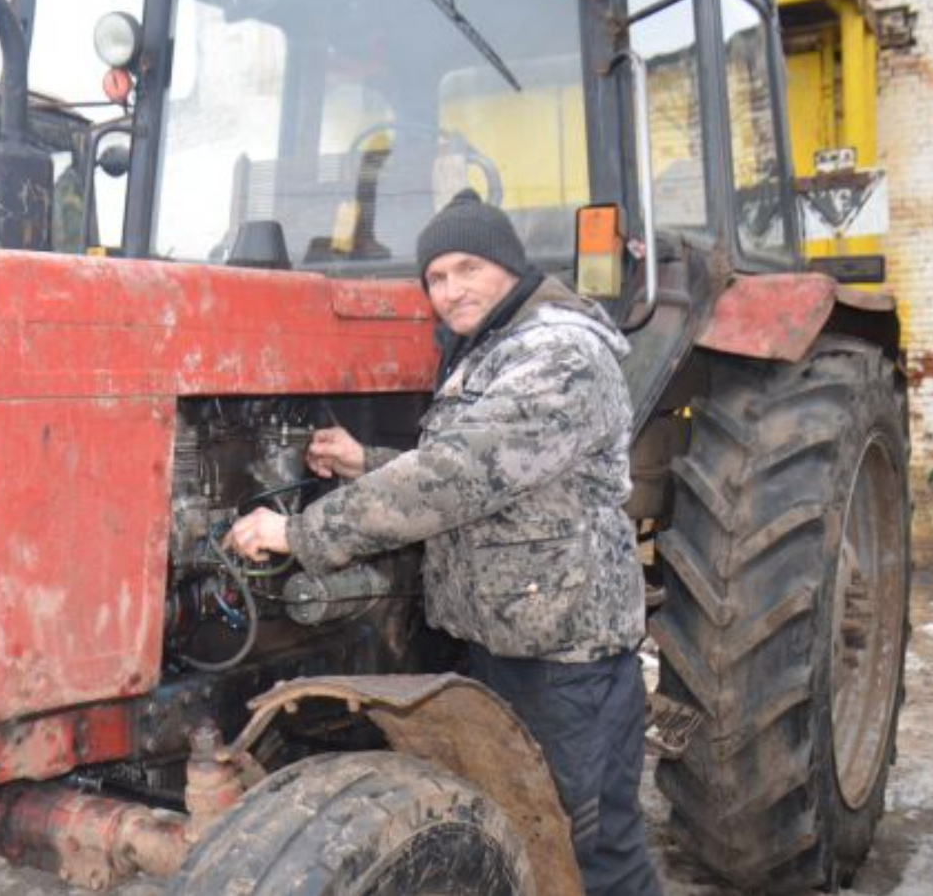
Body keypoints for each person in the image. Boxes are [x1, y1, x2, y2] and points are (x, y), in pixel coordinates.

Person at [224, 189, 662, 896]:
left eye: (467, 269)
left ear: (508, 268)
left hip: (563, 662)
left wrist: (300, 534)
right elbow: (492, 475)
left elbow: (458, 476)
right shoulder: (494, 349)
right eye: (436, 278)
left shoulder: (559, 354)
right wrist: (366, 461)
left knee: (589, 854)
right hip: (507, 642)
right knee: (516, 834)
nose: (450, 290)